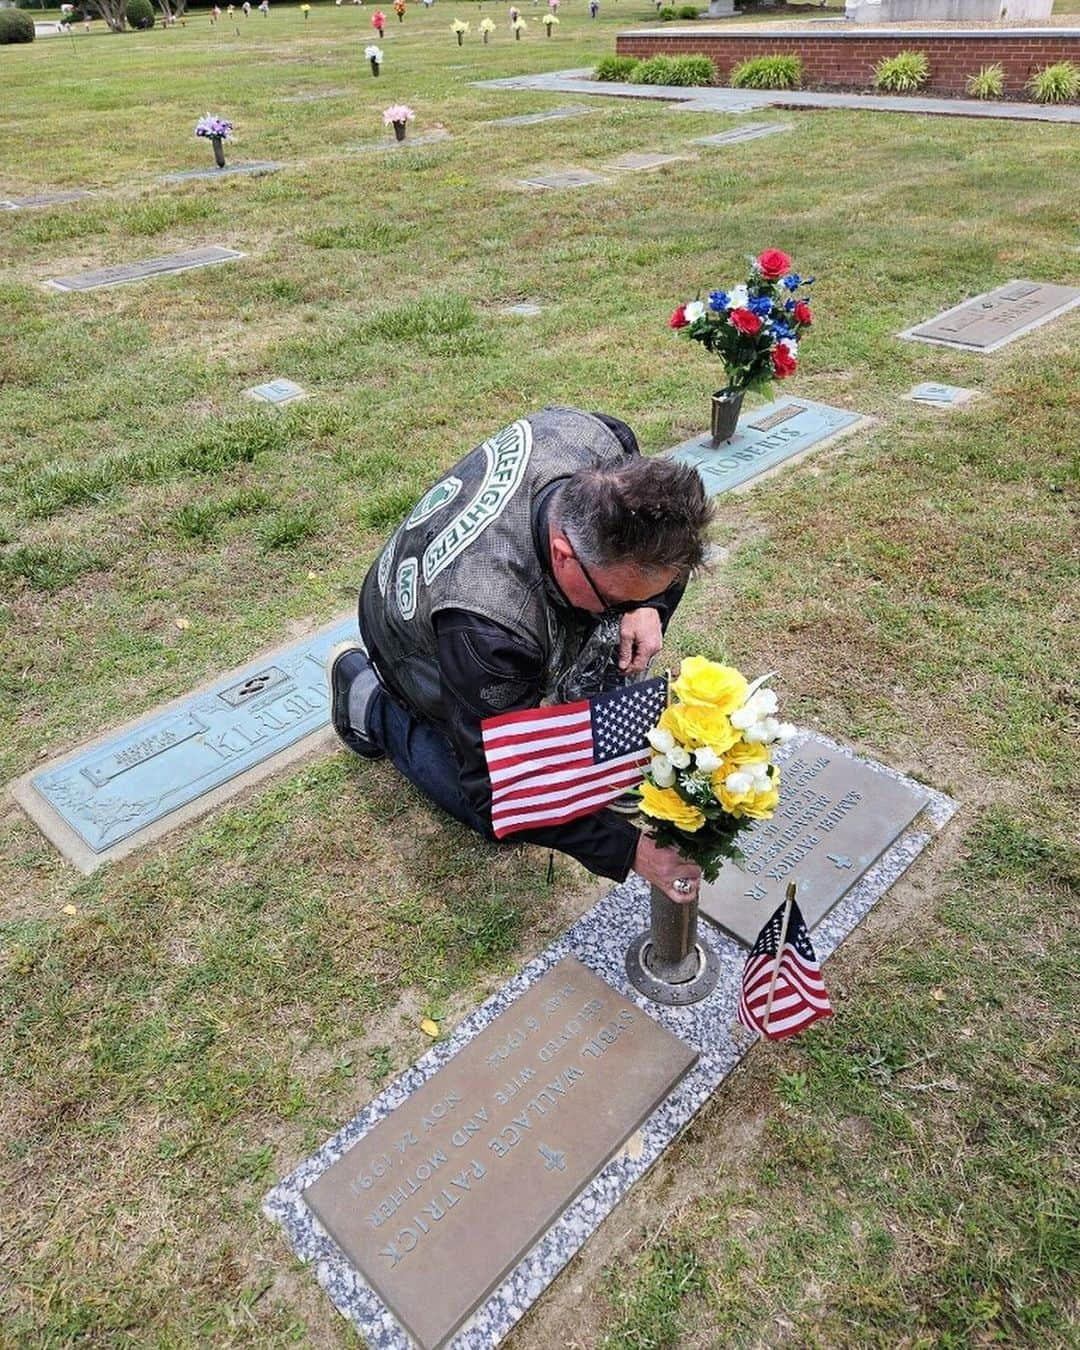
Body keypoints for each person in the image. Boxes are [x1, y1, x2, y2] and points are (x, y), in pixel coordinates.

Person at [328, 406, 713, 903]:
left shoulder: (604, 444)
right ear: (563, 553)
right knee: (496, 818)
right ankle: (369, 702)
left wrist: (649, 606)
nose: (624, 613)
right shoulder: (487, 630)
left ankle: (573, 686)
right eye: (617, 601)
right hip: (412, 641)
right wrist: (627, 850)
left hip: (486, 612)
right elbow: (497, 790)